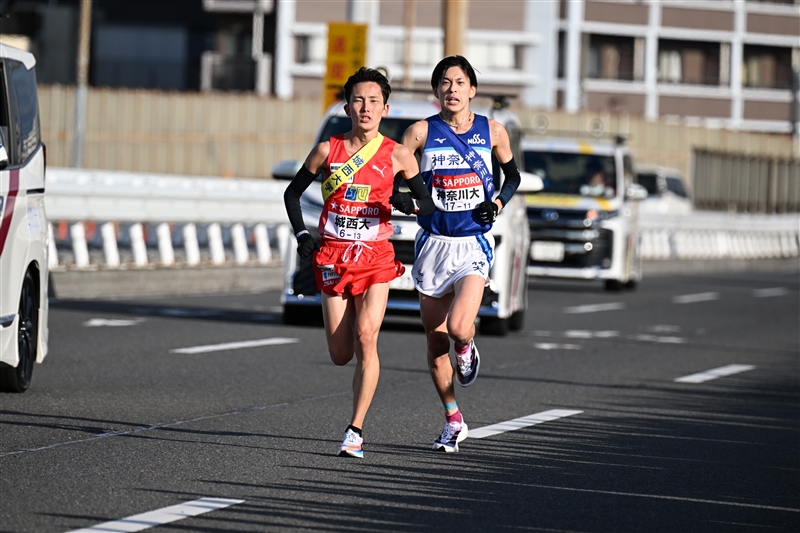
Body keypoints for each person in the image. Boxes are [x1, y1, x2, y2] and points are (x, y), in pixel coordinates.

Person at [283, 67, 433, 459]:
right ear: (347, 106)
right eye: (358, 100)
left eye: (373, 101)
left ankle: (355, 430)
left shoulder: (399, 155)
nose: (365, 108)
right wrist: (302, 234)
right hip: (333, 255)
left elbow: (428, 206)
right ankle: (353, 413)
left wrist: (408, 202)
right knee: (340, 353)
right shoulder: (326, 151)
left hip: (376, 258)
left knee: (368, 336)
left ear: (385, 108)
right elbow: (292, 194)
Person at [398, 56, 522, 453]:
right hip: (433, 245)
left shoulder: (494, 131)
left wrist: (498, 204)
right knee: (435, 345)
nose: (452, 89)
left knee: (457, 328)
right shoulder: (419, 133)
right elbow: (392, 178)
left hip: (471, 245)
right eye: (444, 83)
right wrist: (411, 202)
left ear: (472, 89)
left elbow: (513, 176)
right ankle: (453, 420)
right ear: (436, 91)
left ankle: (467, 349)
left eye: (460, 82)